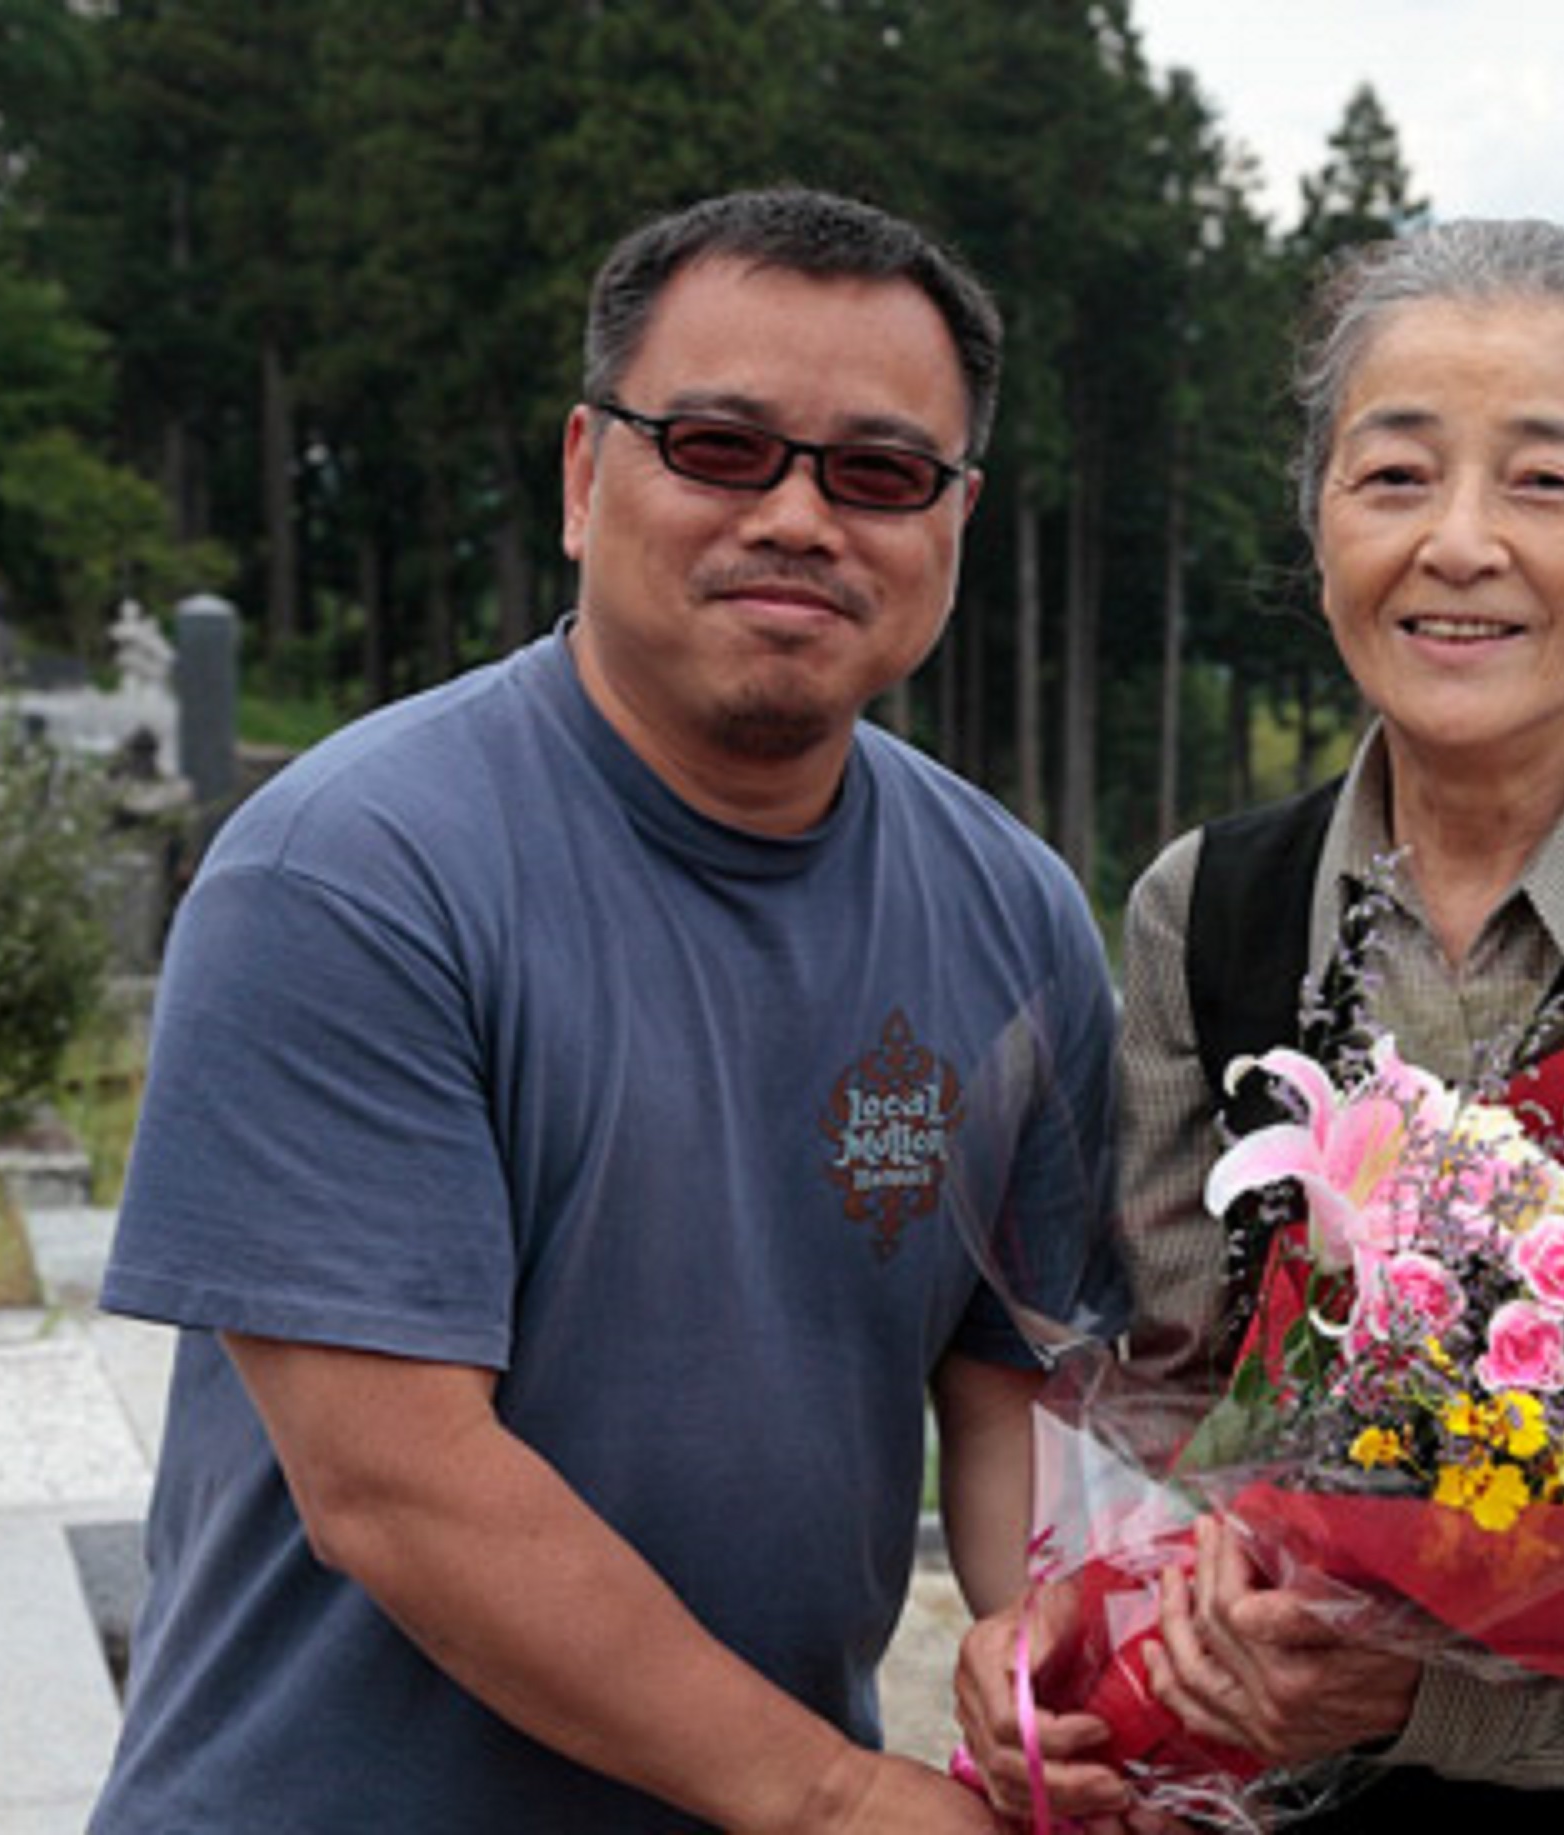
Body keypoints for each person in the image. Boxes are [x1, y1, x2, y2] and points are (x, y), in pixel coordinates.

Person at [90, 187, 1124, 1834]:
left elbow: (1013, 1394)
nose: (797, 517)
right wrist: (834, 1799)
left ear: (953, 522)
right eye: (718, 448)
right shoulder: (350, 875)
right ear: (586, 475)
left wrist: (1049, 1666)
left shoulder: (1012, 911)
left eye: (877, 473)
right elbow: (397, 1485)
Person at [957, 217, 1564, 1831]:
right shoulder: (1203, 909)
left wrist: (1434, 1698)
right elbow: (1159, 1387)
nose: (1460, 542)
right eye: (1395, 476)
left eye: (1547, 482)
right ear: (1320, 534)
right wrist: (1075, 1646)